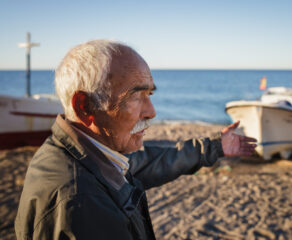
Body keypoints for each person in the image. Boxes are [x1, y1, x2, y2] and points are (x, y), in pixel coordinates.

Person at [15, 40, 256, 239]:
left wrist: (214, 147)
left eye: (149, 93)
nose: (152, 111)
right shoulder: (81, 202)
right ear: (85, 106)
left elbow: (151, 161)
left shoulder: (86, 155)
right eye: (136, 96)